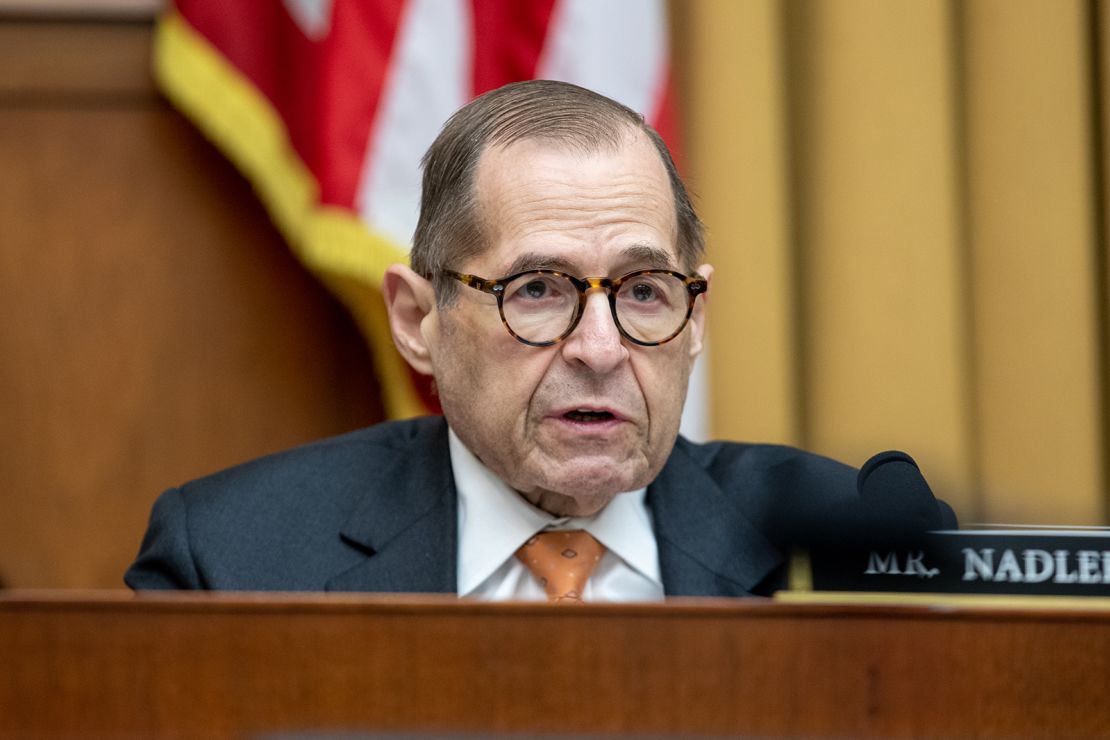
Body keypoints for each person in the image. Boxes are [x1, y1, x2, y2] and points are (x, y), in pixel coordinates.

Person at [125, 80, 951, 600]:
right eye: (539, 291)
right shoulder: (234, 563)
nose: (600, 349)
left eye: (645, 291)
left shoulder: (844, 548)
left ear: (694, 319)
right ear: (419, 321)